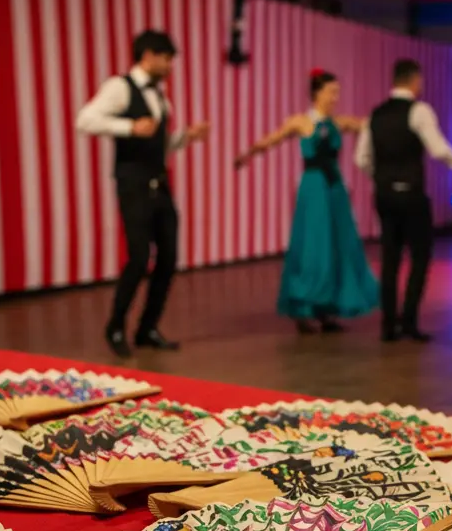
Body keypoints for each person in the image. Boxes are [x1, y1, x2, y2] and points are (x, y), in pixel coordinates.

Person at [76, 29, 209, 357]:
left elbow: (160, 145)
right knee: (138, 258)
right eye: (166, 59)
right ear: (148, 55)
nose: (169, 66)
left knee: (168, 258)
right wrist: (128, 127)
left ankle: (148, 327)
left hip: (160, 183)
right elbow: (85, 120)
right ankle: (116, 325)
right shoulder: (120, 87)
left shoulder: (161, 97)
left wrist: (184, 137)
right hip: (133, 184)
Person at [235, 70, 378, 334]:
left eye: (337, 92)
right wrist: (247, 155)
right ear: (317, 93)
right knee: (313, 246)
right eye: (331, 92)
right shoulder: (300, 122)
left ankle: (328, 310)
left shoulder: (340, 122)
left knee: (336, 245)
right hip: (314, 189)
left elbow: (371, 125)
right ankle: (303, 308)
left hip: (335, 189)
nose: (335, 97)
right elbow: (272, 139)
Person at [355, 58, 452, 342]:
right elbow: (439, 149)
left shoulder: (375, 114)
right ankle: (409, 321)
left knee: (390, 258)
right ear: (415, 80)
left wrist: (381, 176)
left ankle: (387, 325)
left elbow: (361, 158)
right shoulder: (419, 111)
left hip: (383, 194)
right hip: (412, 194)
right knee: (420, 256)